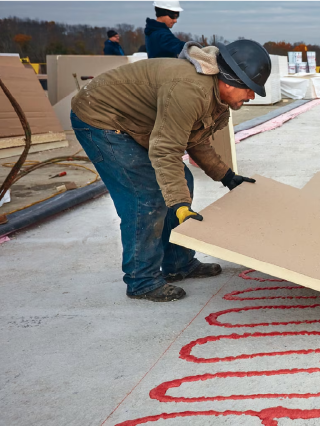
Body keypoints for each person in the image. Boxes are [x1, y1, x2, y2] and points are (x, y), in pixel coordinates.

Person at [70, 39, 272, 302]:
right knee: (146, 195)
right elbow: (165, 149)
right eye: (249, 89)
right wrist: (178, 203)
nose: (251, 96)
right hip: (101, 118)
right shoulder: (190, 90)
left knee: (182, 179)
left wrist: (226, 176)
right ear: (229, 80)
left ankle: (178, 264)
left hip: (133, 121)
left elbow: (196, 140)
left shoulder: (215, 97)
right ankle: (142, 280)